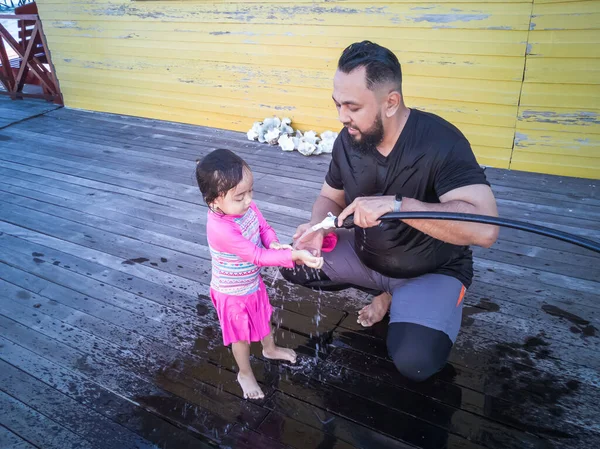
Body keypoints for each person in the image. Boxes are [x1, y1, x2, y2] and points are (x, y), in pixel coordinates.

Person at [280, 41, 500, 382]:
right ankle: (385, 292)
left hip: (430, 269)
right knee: (294, 262)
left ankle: (409, 298)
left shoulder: (441, 142)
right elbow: (329, 197)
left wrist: (399, 206)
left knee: (416, 362)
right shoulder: (348, 140)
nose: (342, 117)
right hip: (368, 256)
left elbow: (485, 229)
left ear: (391, 102)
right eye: (338, 104)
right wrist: (319, 225)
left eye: (352, 107)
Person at [195, 148, 324, 399]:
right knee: (241, 338)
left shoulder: (246, 208)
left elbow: (264, 229)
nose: (248, 200)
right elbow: (256, 256)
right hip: (231, 293)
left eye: (250, 192)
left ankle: (270, 348)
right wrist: (293, 256)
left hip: (252, 283)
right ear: (214, 202)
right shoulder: (221, 229)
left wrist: (274, 242)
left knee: (263, 316)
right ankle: (244, 373)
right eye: (240, 196)